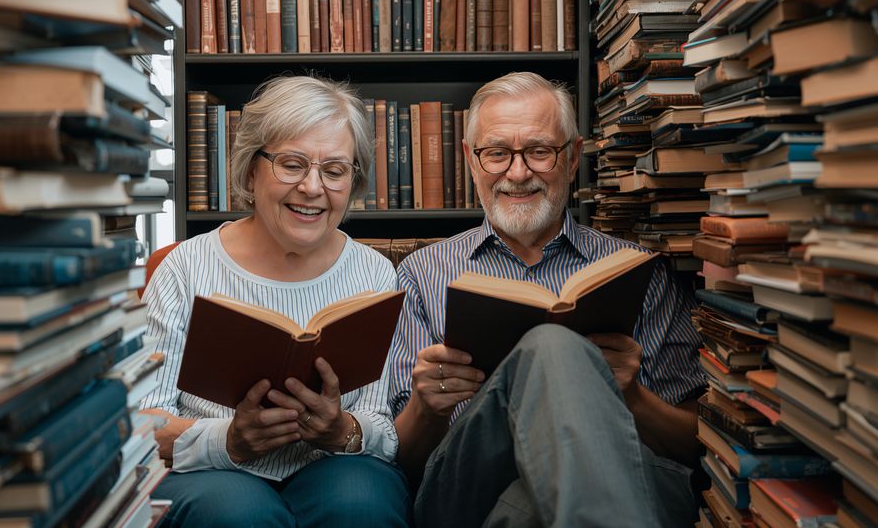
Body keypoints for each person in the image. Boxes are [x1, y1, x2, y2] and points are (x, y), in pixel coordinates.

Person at [387, 72, 706, 527]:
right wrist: (425, 407)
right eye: (497, 153)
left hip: (626, 482)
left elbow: (696, 444)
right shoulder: (420, 275)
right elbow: (404, 461)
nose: (518, 174)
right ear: (470, 160)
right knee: (552, 346)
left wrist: (630, 396)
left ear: (573, 157)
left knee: (527, 508)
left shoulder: (637, 272)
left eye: (539, 151)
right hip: (469, 486)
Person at [141, 76, 409, 527]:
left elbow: (383, 426)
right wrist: (229, 440)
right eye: (291, 164)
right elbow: (146, 425)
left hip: (332, 467)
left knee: (361, 503)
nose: (312, 187)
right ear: (250, 170)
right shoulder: (184, 269)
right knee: (236, 514)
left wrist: (342, 429)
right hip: (214, 473)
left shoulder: (375, 273)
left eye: (335, 170)